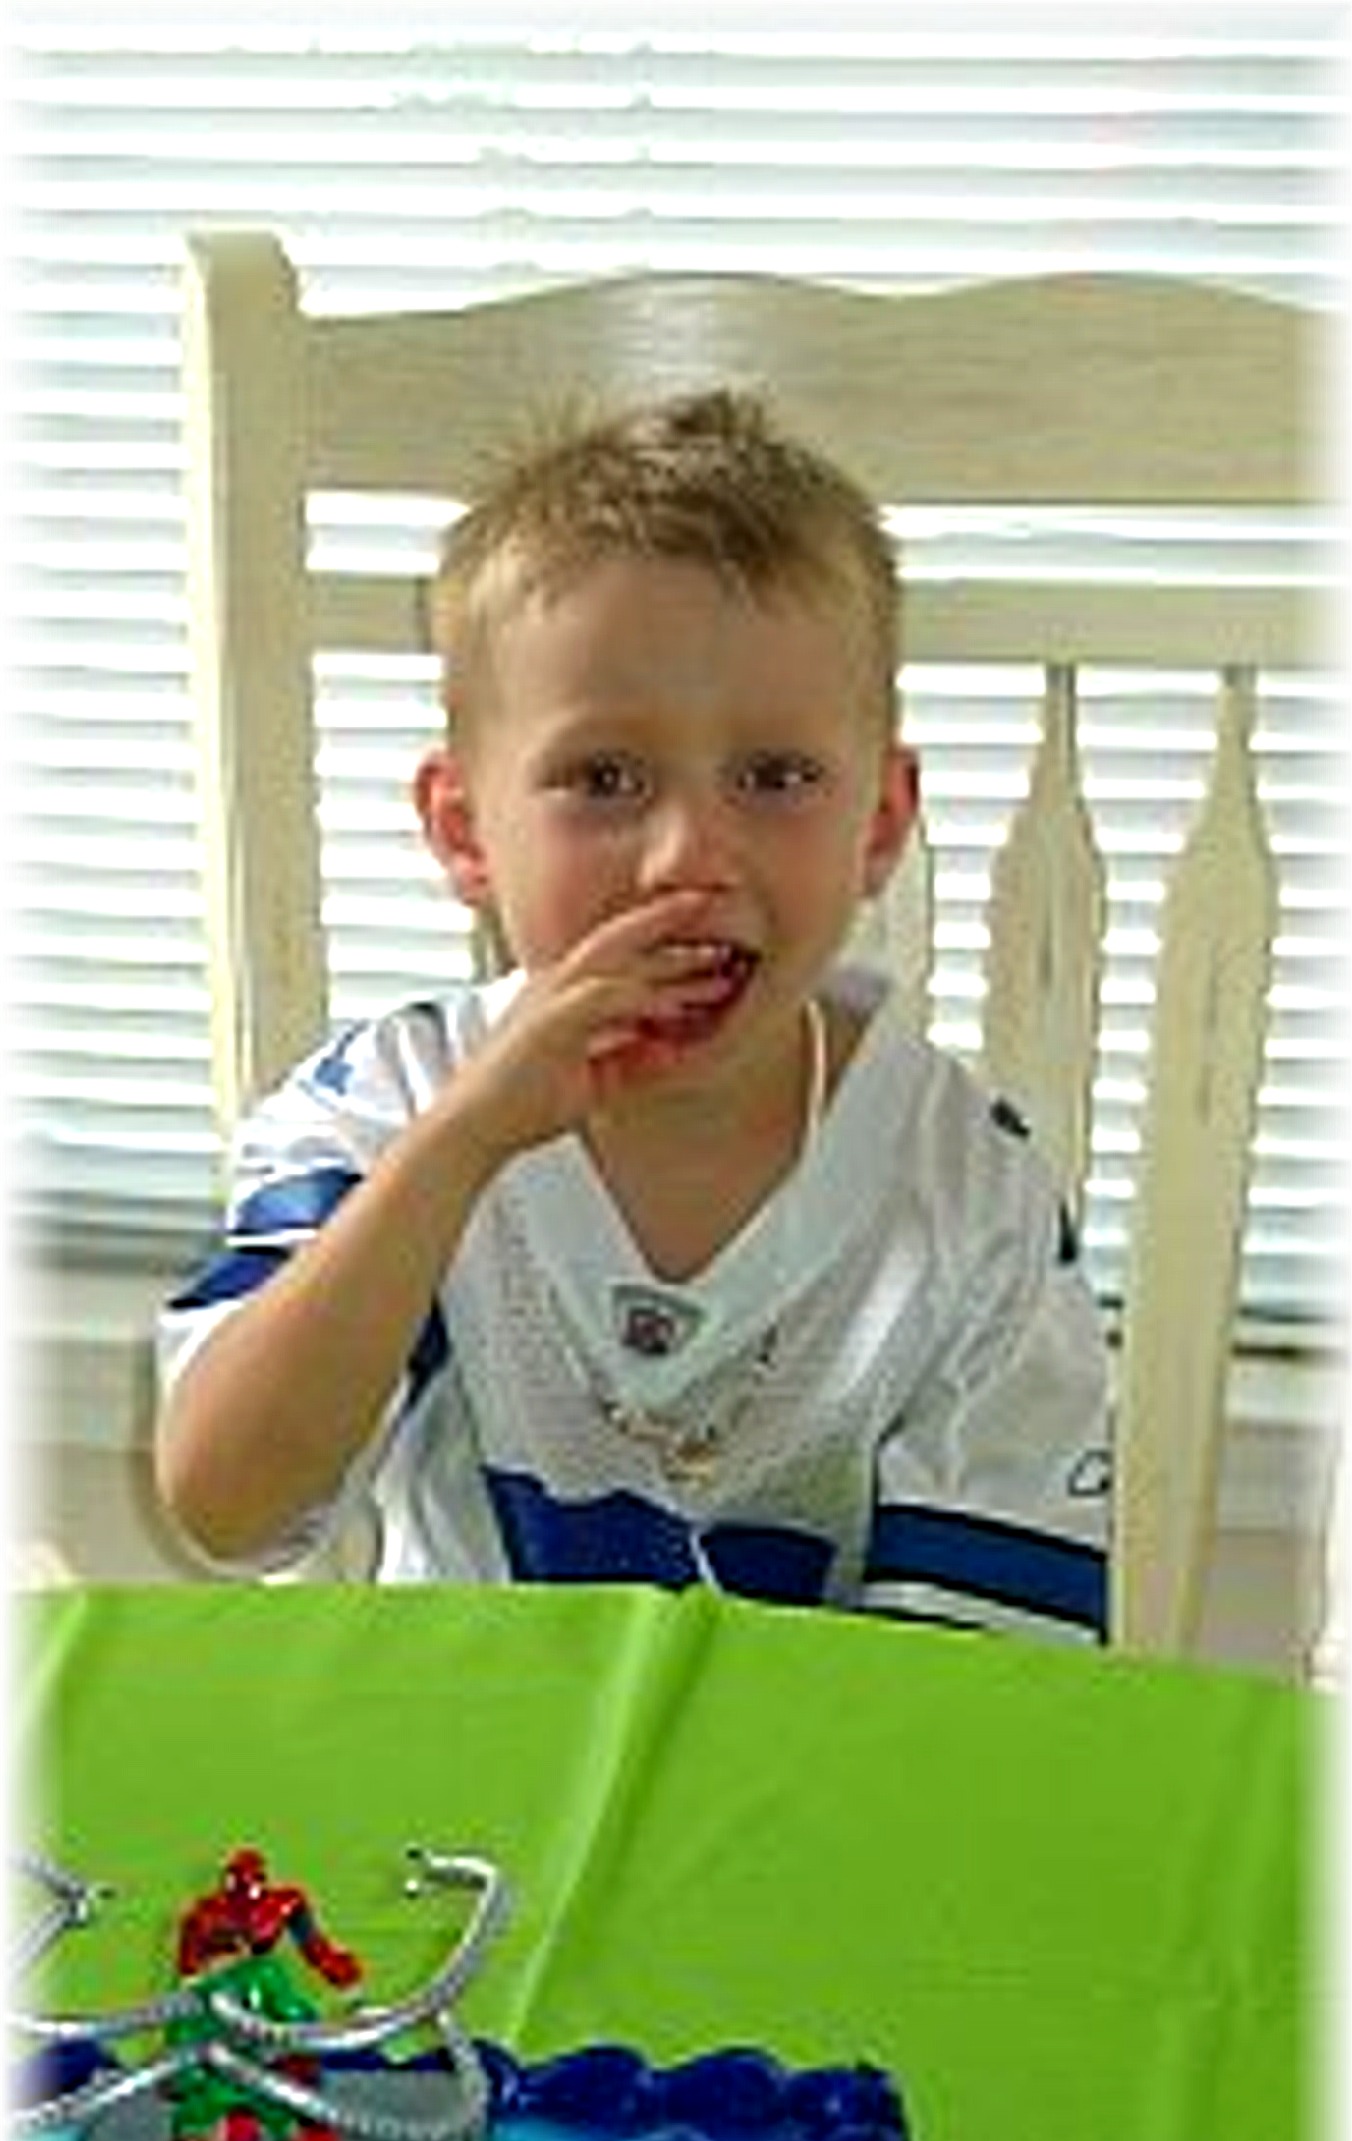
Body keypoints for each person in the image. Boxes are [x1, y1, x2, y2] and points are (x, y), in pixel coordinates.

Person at [155, 389, 1110, 1639]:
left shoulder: (966, 1192)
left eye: (774, 776)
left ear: (878, 823)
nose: (685, 856)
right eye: (603, 778)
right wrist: (458, 1146)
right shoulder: (384, 1109)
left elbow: (978, 1672)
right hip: (460, 1744)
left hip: (822, 1752)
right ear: (463, 830)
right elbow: (226, 1505)